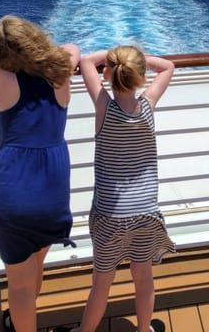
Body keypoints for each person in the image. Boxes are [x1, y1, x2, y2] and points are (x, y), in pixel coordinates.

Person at [0, 15, 80, 332]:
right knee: (36, 264)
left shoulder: (5, 81)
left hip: (13, 190)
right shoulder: (61, 77)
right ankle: (20, 320)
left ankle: (21, 322)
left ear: (1, 55)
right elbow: (71, 48)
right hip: (52, 190)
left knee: (20, 284)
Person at [55, 46, 175, 332]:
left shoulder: (104, 108)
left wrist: (111, 53)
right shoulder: (147, 106)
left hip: (110, 216)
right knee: (143, 276)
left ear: (107, 74)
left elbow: (85, 61)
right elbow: (168, 66)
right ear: (140, 77)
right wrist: (130, 58)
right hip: (145, 213)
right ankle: (144, 329)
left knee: (102, 282)